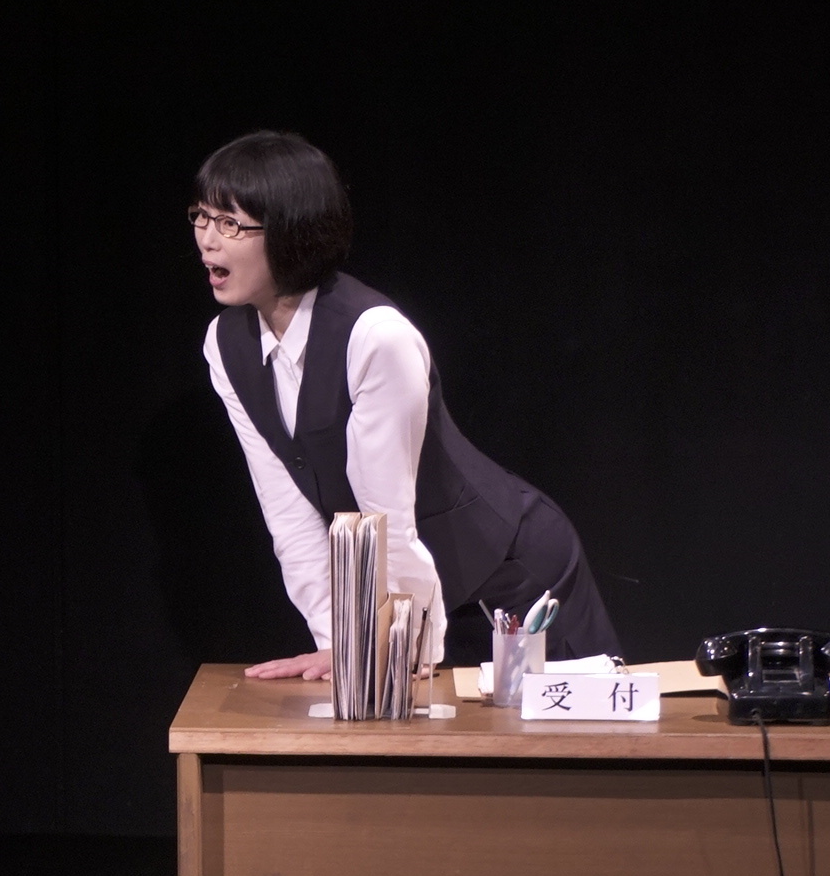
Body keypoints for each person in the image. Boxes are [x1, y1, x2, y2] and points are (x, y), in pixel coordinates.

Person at [192, 130, 618, 676]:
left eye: (230, 223)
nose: (207, 240)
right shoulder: (226, 345)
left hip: (512, 578)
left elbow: (386, 515)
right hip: (418, 594)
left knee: (573, 728)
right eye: (201, 217)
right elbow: (289, 513)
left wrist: (395, 648)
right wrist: (341, 643)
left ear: (292, 232)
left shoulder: (374, 337)